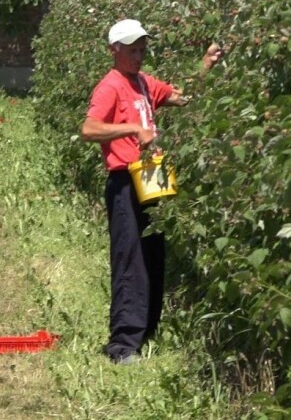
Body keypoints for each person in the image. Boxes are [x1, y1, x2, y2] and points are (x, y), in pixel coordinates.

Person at [80, 19, 223, 364]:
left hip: (153, 175)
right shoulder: (110, 86)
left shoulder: (143, 82)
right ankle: (123, 345)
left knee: (154, 255)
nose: (139, 55)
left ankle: (146, 331)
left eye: (142, 49)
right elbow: (88, 129)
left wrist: (205, 64)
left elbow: (181, 96)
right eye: (132, 50)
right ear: (114, 50)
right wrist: (132, 128)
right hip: (125, 181)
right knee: (131, 260)